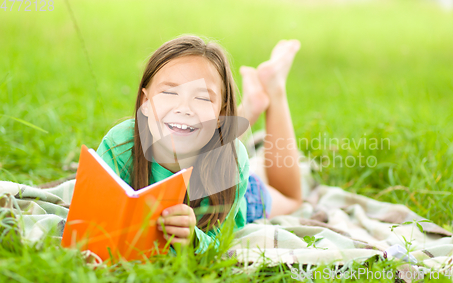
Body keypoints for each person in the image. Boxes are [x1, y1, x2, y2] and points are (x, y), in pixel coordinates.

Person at [96, 35, 302, 253]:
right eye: (169, 92)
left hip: (235, 190)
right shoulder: (120, 144)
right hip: (209, 144)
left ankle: (275, 89)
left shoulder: (233, 163)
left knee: (291, 199)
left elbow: (218, 245)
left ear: (222, 114)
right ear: (145, 103)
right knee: (195, 129)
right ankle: (251, 106)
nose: (184, 107)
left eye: (203, 98)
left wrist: (193, 238)